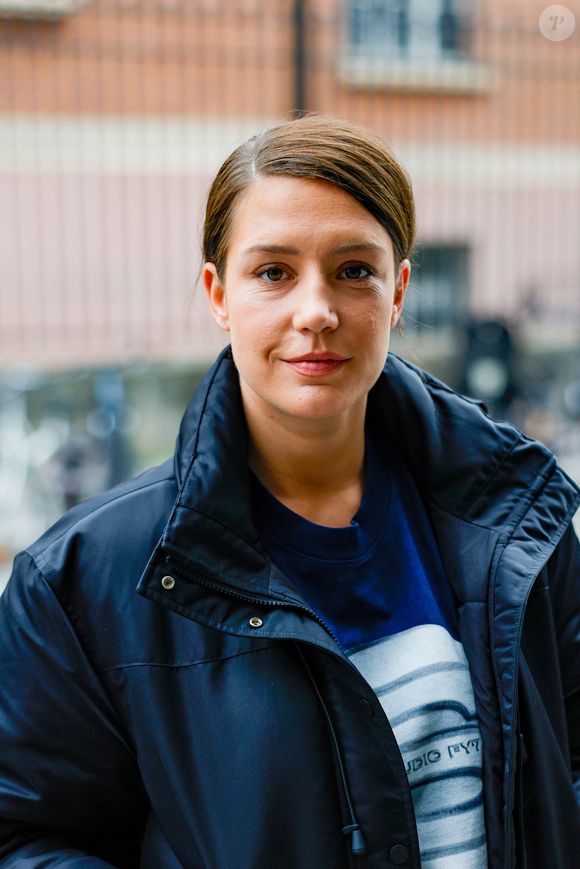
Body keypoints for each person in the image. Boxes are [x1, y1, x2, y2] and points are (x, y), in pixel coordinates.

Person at [0, 115, 578, 869]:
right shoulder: (82, 582)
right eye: (274, 272)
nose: (316, 311)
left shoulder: (518, 522)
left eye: (354, 270)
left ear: (399, 290)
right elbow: (27, 837)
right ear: (218, 293)